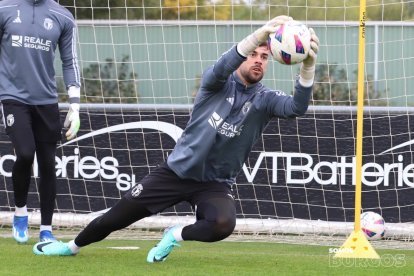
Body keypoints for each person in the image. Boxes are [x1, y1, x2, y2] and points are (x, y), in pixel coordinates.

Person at [33, 15, 319, 262]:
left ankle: (174, 235)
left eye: (264, 57)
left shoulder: (266, 99)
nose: (258, 61)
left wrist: (308, 66)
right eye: (253, 55)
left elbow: (297, 108)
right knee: (115, 218)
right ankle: (69, 248)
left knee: (223, 224)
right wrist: (259, 34)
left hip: (214, 184)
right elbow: (222, 67)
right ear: (243, 57)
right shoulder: (216, 83)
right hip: (176, 172)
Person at [0, 0, 81, 243]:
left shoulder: (63, 17)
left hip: (46, 101)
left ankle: (46, 229)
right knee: (25, 154)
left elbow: (70, 61)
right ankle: (20, 212)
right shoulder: (4, 8)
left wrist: (75, 105)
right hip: (13, 97)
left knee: (47, 164)